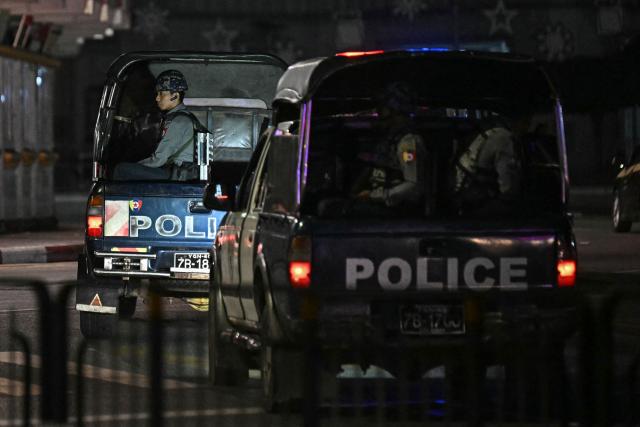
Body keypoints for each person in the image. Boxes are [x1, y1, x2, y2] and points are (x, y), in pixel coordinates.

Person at [113, 69, 201, 180]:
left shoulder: (179, 121)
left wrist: (137, 166)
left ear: (175, 95)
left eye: (161, 94)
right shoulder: (181, 118)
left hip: (176, 175)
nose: (157, 98)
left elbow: (159, 159)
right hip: (175, 172)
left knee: (121, 169)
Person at [354, 81, 427, 208]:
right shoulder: (390, 137)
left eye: (383, 107)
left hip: (393, 210)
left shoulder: (408, 143)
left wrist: (375, 196)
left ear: (395, 109)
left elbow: (413, 185)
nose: (379, 111)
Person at [451, 114, 522, 215]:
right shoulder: (503, 138)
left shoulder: (490, 133)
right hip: (477, 204)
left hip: (465, 198)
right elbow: (508, 189)